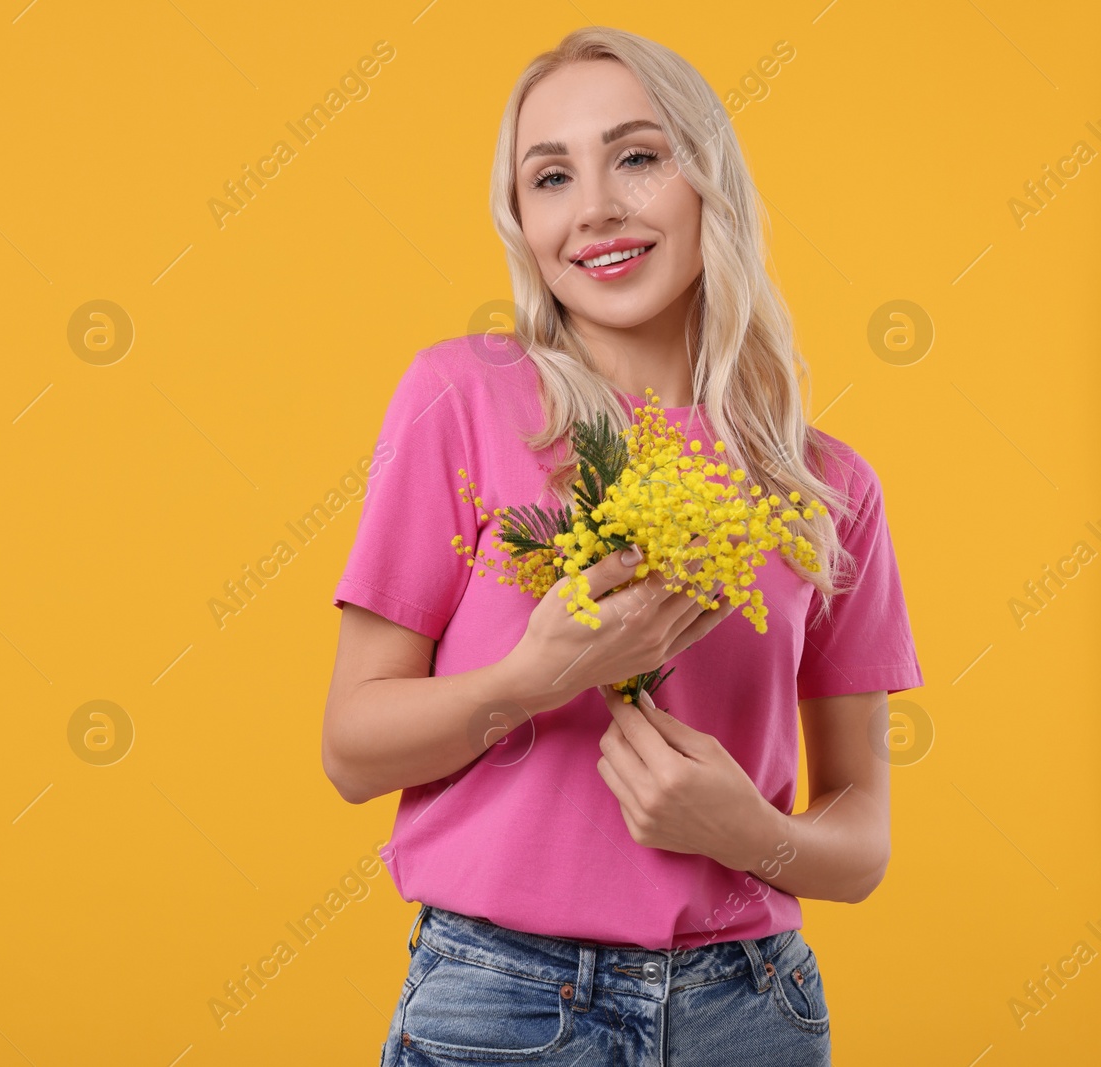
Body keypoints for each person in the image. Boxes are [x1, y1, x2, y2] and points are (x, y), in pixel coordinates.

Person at [322, 25, 924, 1067]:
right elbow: (350, 748)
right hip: (503, 1006)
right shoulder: (461, 400)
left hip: (751, 1007)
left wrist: (746, 832)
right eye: (549, 177)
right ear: (523, 221)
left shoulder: (824, 489)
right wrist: (530, 676)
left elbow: (860, 839)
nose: (595, 206)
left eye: (636, 157)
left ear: (706, 183)